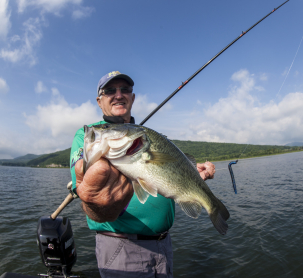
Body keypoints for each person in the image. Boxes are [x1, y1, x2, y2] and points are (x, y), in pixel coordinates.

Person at [69, 71, 216, 278]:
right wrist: (96, 203)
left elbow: (162, 171)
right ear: (99, 101)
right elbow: (89, 199)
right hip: (122, 246)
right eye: (110, 90)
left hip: (164, 244)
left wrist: (190, 176)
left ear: (133, 97)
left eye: (125, 89)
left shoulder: (146, 137)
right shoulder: (87, 135)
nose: (118, 94)